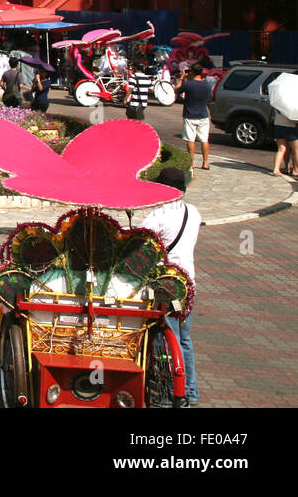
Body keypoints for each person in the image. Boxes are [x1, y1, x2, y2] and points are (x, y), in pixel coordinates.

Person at [138, 168, 202, 407]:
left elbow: (140, 240)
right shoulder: (193, 213)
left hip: (166, 285)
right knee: (185, 340)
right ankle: (190, 390)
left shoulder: (159, 215)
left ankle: (170, 394)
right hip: (188, 284)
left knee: (167, 339)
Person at [177, 64, 215, 170]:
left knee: (190, 140)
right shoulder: (207, 85)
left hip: (190, 115)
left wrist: (182, 77)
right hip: (203, 115)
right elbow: (210, 98)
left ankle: (191, 163)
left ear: (192, 72)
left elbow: (177, 89)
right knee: (204, 140)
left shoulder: (188, 85)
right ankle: (205, 163)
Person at [272, 107, 297, 177]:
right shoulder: (291, 104)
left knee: (281, 149)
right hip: (291, 127)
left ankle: (277, 169)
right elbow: (293, 118)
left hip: (278, 126)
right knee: (296, 150)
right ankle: (296, 170)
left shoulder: (279, 103)